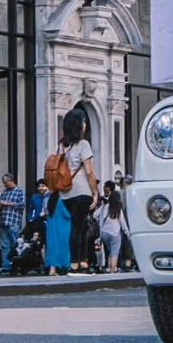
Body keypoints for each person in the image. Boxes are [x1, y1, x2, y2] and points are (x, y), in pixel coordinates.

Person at [54, 109, 100, 273]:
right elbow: (89, 172)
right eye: (83, 121)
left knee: (78, 227)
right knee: (78, 229)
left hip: (65, 193)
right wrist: (95, 192)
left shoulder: (61, 145)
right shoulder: (83, 145)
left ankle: (82, 262)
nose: (85, 124)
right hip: (81, 191)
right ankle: (75, 265)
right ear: (79, 125)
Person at [0, 174, 25, 274]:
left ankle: (17, 266)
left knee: (15, 245)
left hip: (13, 222)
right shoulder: (4, 193)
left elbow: (22, 204)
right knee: (4, 246)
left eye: (6, 183)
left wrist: (7, 203)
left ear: (11, 181)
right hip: (2, 221)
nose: (4, 185)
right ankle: (6, 266)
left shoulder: (19, 191)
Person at [44, 186, 71, 275]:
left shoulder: (49, 202)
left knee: (53, 248)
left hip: (51, 228)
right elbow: (67, 215)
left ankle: (52, 268)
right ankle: (64, 266)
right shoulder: (61, 201)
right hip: (63, 227)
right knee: (63, 247)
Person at [98, 190, 126, 273]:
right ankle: (112, 272)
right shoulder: (118, 209)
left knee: (110, 252)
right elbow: (123, 224)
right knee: (114, 254)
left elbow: (96, 215)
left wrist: (100, 234)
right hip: (115, 233)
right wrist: (128, 234)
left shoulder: (104, 207)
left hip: (105, 233)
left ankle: (109, 269)